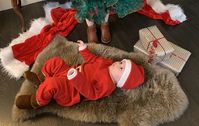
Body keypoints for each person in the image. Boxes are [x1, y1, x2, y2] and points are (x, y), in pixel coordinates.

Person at [16, 40, 144, 109]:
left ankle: (36, 101)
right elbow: (93, 59)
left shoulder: (108, 85)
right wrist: (83, 50)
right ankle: (41, 80)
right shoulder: (107, 62)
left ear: (120, 81)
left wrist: (76, 78)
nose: (118, 63)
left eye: (121, 68)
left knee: (53, 84)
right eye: (122, 62)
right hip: (70, 72)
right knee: (55, 62)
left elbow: (91, 93)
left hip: (71, 90)